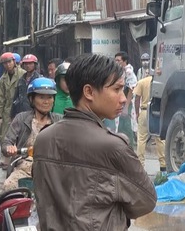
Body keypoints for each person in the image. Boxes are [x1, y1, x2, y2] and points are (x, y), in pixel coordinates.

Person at [32, 53, 157, 231]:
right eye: (116, 89)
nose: (122, 98)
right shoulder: (113, 146)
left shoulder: (43, 139)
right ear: (89, 92)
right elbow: (146, 201)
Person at [3, 77, 62, 191]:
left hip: (52, 170)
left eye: (49, 97)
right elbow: (6, 143)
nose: (46, 101)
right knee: (9, 186)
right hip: (24, 169)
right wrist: (9, 148)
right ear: (32, 99)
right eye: (41, 97)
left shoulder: (59, 121)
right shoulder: (21, 118)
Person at [134, 75, 166, 174]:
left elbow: (137, 99)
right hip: (156, 112)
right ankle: (163, 165)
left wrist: (137, 113)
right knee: (159, 139)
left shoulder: (142, 82)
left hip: (144, 111)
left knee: (141, 139)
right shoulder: (162, 82)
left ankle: (140, 165)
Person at [0, 52, 25, 143]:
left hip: (21, 108)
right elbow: (0, 97)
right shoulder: (3, 79)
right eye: (5, 63)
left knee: (22, 133)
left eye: (9, 62)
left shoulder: (23, 74)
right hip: (8, 109)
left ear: (14, 61)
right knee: (4, 136)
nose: (8, 65)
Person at [114, 51, 137, 147]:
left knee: (127, 128)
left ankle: (129, 149)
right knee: (119, 127)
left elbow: (131, 90)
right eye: (115, 60)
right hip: (120, 103)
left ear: (125, 61)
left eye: (118, 60)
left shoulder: (129, 72)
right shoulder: (120, 72)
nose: (116, 62)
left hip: (127, 104)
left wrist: (126, 107)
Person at [10, 54, 41, 120]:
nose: (28, 66)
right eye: (26, 64)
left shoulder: (39, 80)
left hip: (34, 113)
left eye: (30, 63)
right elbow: (16, 97)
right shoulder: (21, 80)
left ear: (35, 65)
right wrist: (12, 114)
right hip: (21, 112)